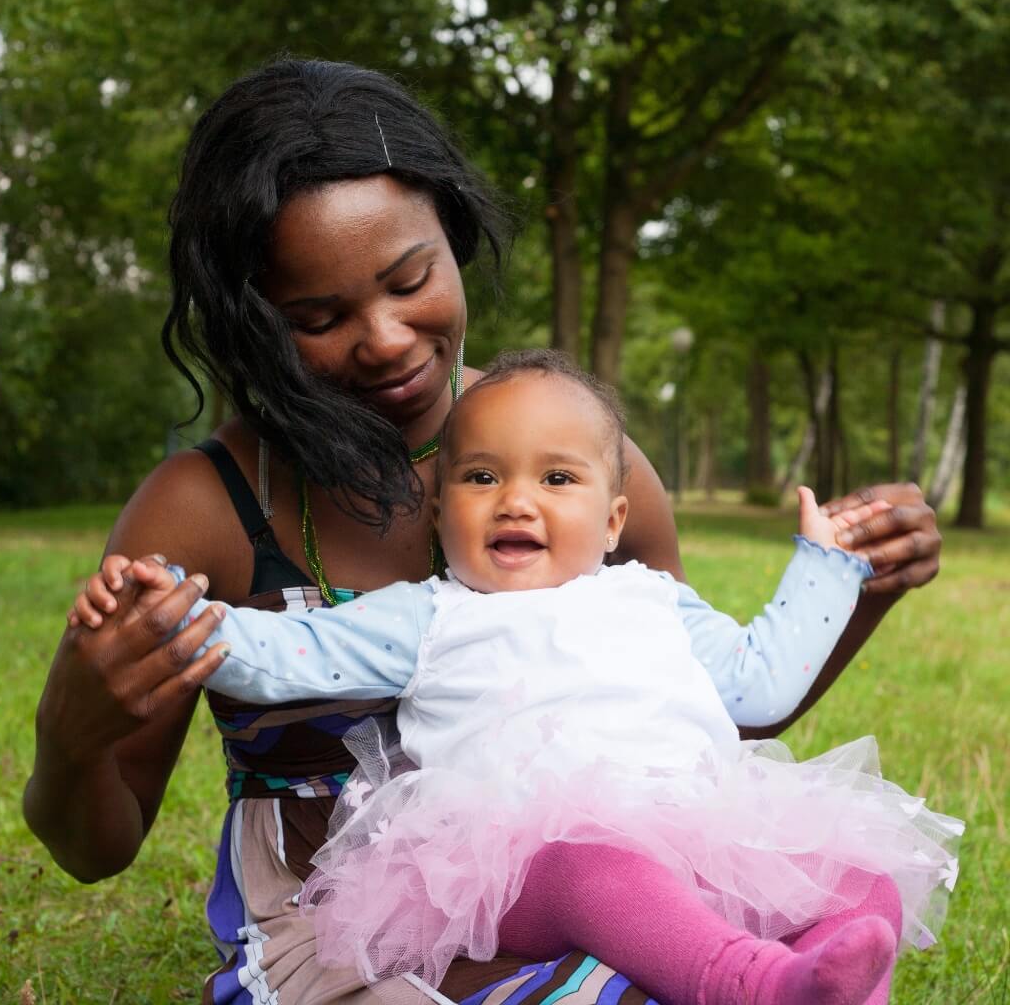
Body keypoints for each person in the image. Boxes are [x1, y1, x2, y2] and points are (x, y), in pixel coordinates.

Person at [25, 58, 944, 1005]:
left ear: (454, 243)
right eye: (317, 316)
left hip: (638, 905)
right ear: (250, 321)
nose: (383, 338)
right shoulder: (203, 506)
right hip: (353, 940)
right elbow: (97, 849)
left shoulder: (588, 460)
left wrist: (856, 584)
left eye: (409, 279)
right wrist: (71, 733)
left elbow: (704, 702)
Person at [77, 352, 961, 1005]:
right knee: (597, 872)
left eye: (558, 477)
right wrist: (178, 615)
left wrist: (827, 569)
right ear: (439, 507)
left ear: (615, 518)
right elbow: (286, 655)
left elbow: (762, 686)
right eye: (482, 476)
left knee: (852, 878)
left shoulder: (654, 600)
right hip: (513, 867)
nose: (516, 499)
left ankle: (838, 986)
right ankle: (746, 984)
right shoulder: (431, 612)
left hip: (694, 835)